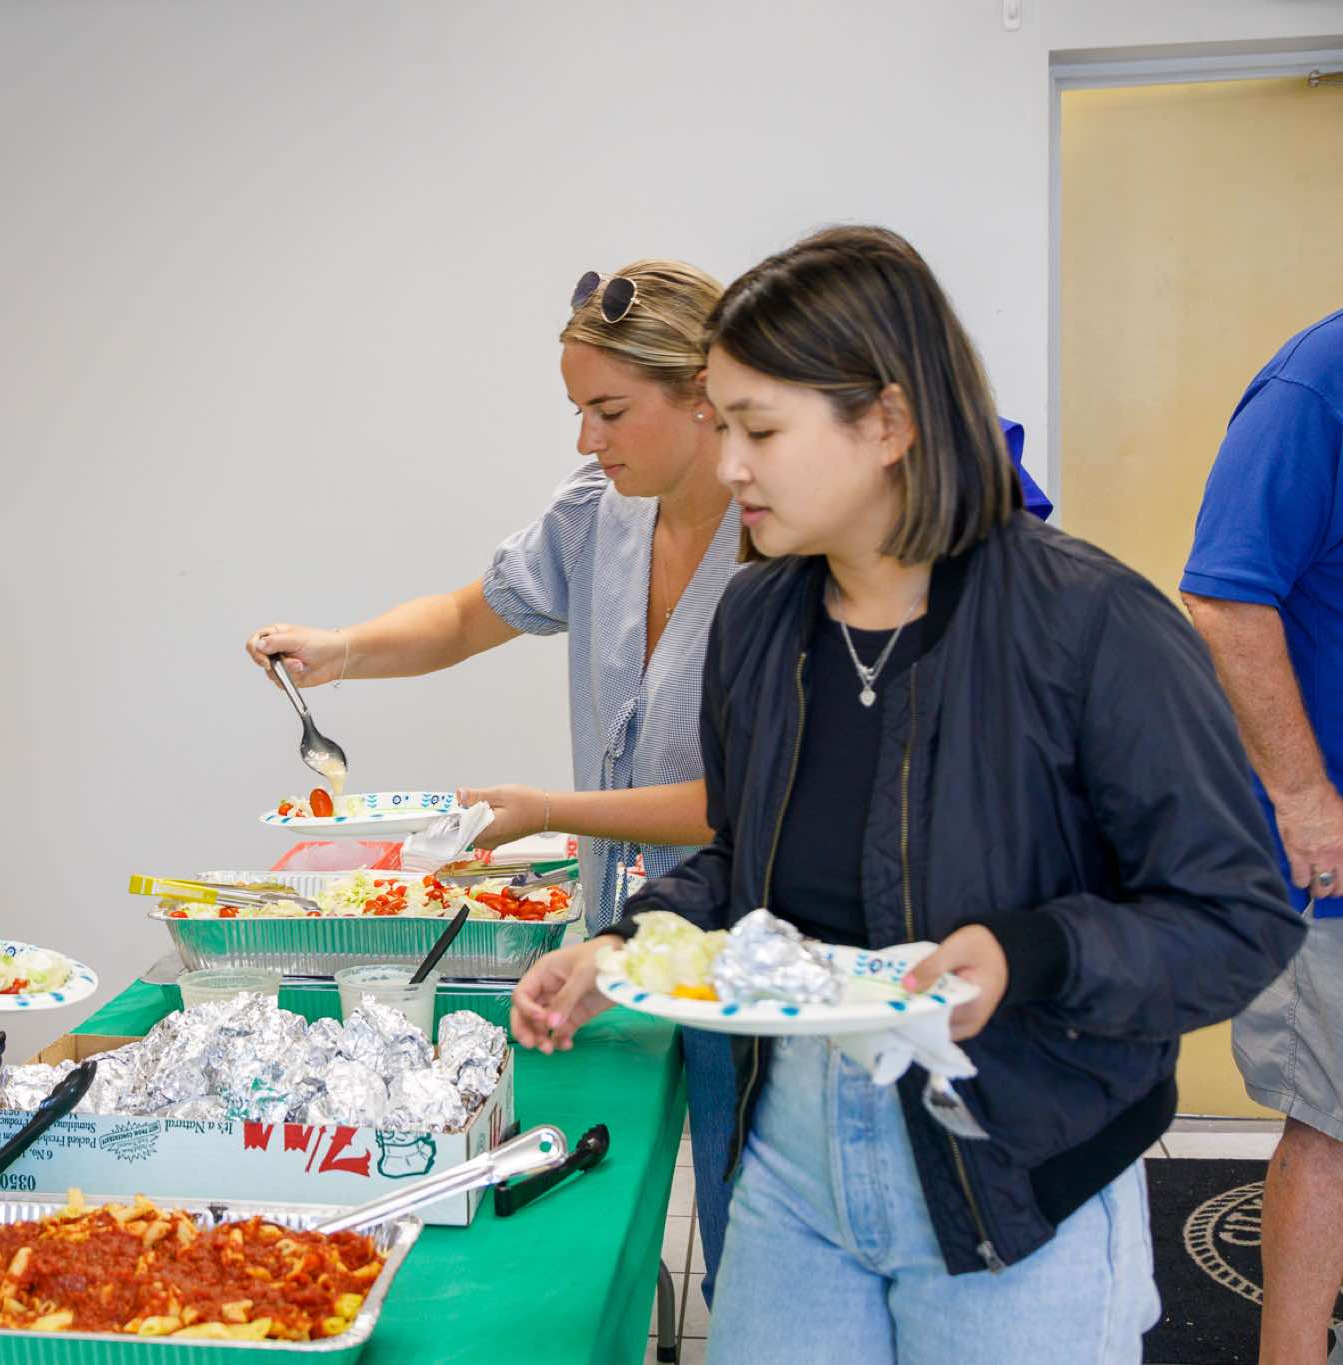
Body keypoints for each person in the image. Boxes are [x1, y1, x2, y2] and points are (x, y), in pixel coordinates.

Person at [511, 225, 1306, 1363]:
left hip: (1018, 1179)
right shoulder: (758, 620)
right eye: (722, 427)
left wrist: (1027, 955)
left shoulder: (1091, 624)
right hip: (791, 1173)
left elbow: (1236, 915)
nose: (728, 466)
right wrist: (627, 945)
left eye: (759, 430)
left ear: (886, 423)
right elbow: (743, 860)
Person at [247, 258, 751, 1300]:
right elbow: (466, 615)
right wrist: (341, 651)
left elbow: (741, 807)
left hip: (741, 937)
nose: (586, 441)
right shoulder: (601, 512)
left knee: (746, 1245)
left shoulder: (775, 544)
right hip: (622, 934)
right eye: (577, 412)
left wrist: (546, 810)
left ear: (702, 392)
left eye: (609, 411)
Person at [1180, 306, 1343, 1365]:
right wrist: (1304, 800)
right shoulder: (1316, 385)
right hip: (1332, 854)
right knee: (1332, 1126)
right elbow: (1226, 598)